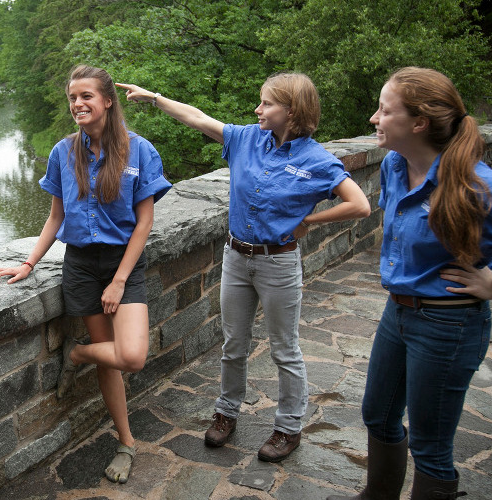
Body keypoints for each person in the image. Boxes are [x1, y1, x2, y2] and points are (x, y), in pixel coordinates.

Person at [327, 67, 492, 500]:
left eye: (384, 111)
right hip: (398, 314)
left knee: (431, 447)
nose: (374, 118)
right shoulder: (395, 164)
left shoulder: (473, 184)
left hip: (448, 326)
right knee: (378, 415)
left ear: (419, 123)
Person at [116, 74, 371, 462]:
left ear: (292, 110)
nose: (258, 110)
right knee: (233, 345)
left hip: (278, 263)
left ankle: (288, 428)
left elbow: (360, 204)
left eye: (266, 103)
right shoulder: (247, 138)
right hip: (236, 259)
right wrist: (154, 99)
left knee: (285, 349)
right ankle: (226, 413)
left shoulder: (316, 159)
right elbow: (198, 119)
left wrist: (310, 222)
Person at [0, 65, 172, 484]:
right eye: (73, 97)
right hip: (80, 266)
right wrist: (28, 263)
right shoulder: (62, 152)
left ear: (107, 100)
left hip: (122, 264)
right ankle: (126, 442)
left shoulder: (139, 151)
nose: (78, 104)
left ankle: (76, 354)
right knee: (109, 358)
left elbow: (144, 223)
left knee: (131, 356)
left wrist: (120, 280)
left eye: (86, 96)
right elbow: (56, 216)